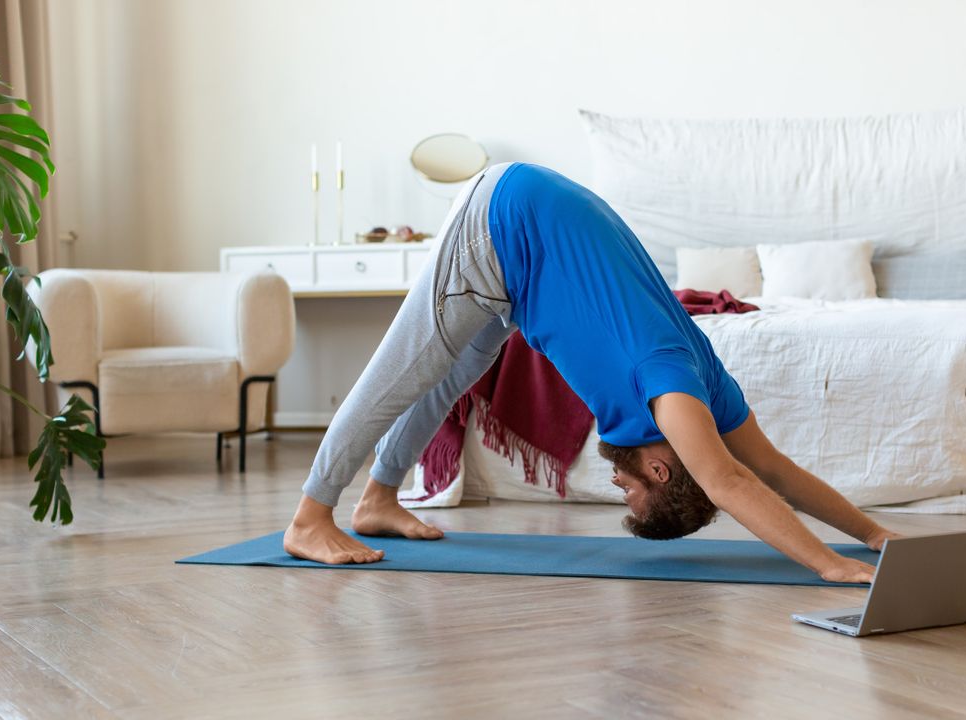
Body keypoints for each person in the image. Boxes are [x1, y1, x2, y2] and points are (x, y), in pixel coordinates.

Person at [284, 162, 898, 583]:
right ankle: (309, 518)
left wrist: (872, 535)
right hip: (501, 220)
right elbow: (732, 482)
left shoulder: (707, 386)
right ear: (662, 470)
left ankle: (378, 499)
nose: (619, 486)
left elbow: (773, 470)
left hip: (528, 245)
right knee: (398, 376)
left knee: (443, 372)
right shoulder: (672, 393)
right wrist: (828, 563)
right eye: (633, 493)